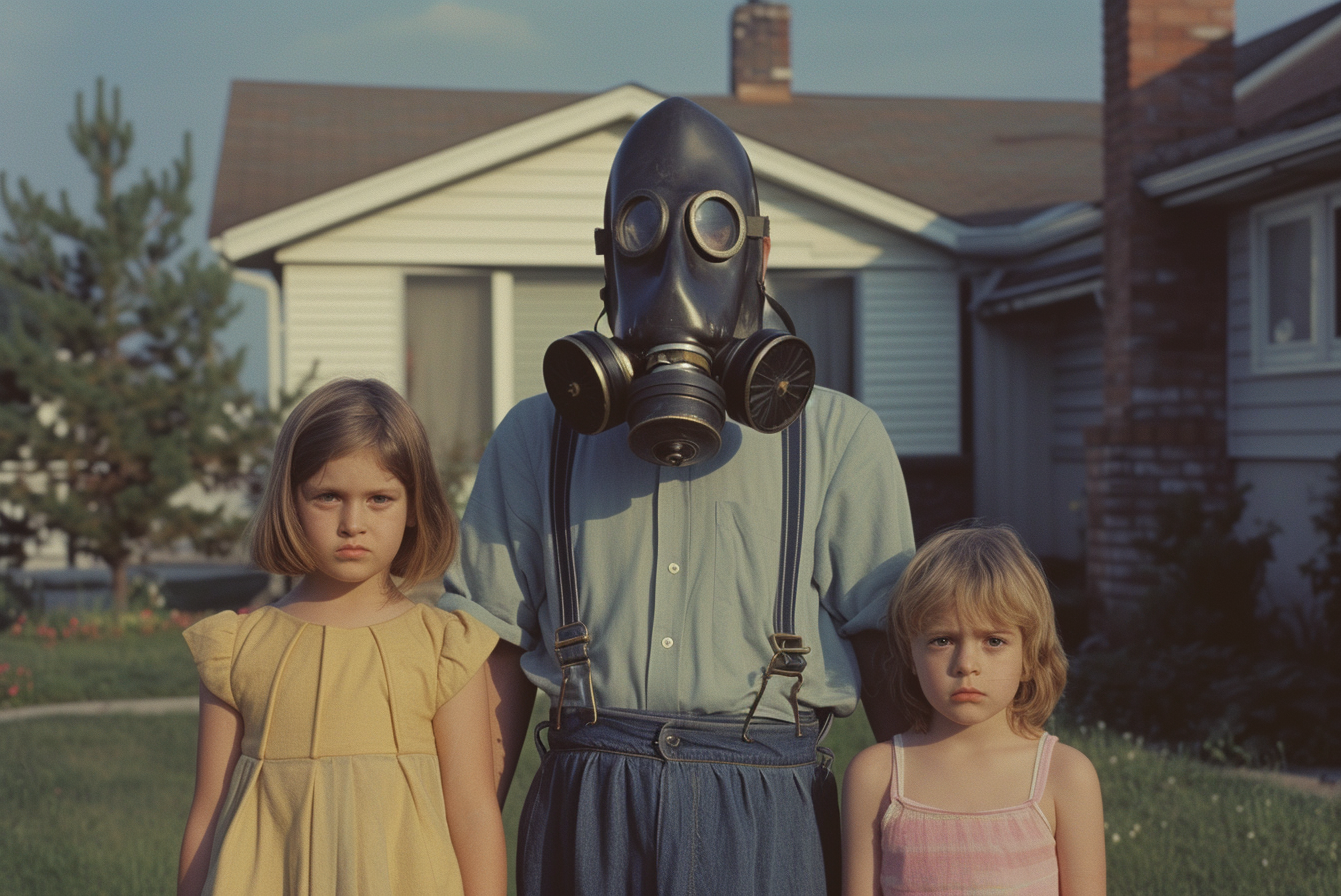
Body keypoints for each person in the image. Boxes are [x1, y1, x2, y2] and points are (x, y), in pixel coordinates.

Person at [440, 97, 916, 896]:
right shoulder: (537, 437)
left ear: (759, 257)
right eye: (643, 239)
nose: (674, 278)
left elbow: (902, 661)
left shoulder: (837, 439)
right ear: (608, 260)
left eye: (713, 237)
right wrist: (458, 854)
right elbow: (483, 664)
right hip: (587, 802)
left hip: (770, 806)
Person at [177, 378, 505, 896]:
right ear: (291, 500)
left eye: (380, 498)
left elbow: (473, 810)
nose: (353, 523)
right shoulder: (237, 648)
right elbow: (207, 810)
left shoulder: (446, 648)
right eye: (328, 496)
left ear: (414, 506)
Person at [841, 524, 1106, 896]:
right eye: (942, 640)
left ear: (1030, 657)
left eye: (993, 641)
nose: (966, 663)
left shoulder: (1066, 775)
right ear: (910, 655)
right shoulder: (875, 776)